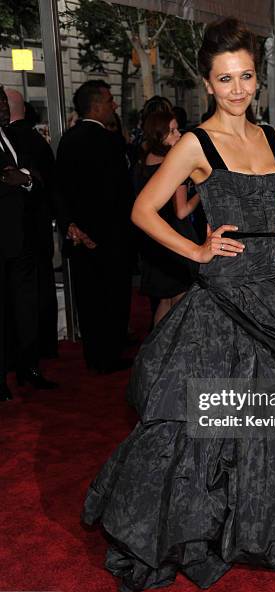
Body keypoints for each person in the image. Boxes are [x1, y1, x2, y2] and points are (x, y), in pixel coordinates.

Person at [82, 18, 275, 590]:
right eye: (224, 78)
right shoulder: (195, 142)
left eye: (246, 76)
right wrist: (198, 250)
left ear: (257, 79)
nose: (237, 89)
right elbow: (143, 210)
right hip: (227, 297)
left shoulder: (274, 138)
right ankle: (207, 524)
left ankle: (266, 522)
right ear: (208, 83)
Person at [56, 80, 135, 373]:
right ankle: (110, 355)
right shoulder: (110, 142)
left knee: (89, 300)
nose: (114, 105)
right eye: (110, 100)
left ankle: (95, 355)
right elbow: (119, 194)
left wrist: (73, 226)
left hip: (80, 237)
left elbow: (61, 189)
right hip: (111, 238)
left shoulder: (67, 140)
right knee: (113, 297)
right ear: (97, 105)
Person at [0, 86, 57, 401]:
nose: (4, 105)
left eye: (4, 99)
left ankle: (28, 368)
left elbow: (36, 176)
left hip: (22, 238)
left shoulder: (16, 137)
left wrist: (25, 178)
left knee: (25, 307)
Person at [134, 110, 200, 325]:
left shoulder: (144, 162)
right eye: (172, 131)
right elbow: (182, 210)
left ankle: (158, 352)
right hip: (174, 238)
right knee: (180, 302)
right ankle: (173, 353)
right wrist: (201, 191)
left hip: (152, 239)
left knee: (165, 301)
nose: (179, 134)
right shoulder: (173, 164)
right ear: (158, 135)